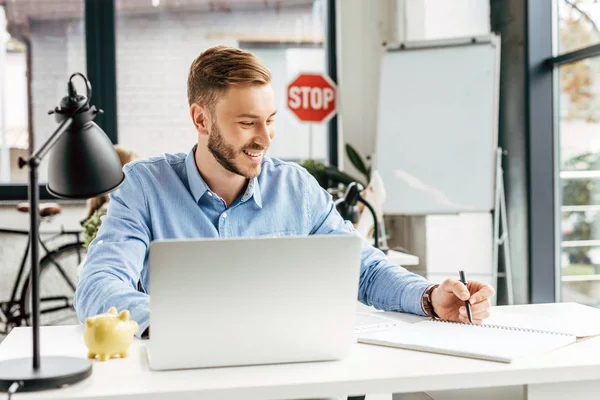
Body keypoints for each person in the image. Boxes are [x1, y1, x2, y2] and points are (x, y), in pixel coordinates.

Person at [74, 45, 495, 339]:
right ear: (201, 120)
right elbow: (100, 282)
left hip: (287, 378)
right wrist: (178, 325)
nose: (265, 138)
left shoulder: (295, 187)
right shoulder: (145, 187)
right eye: (247, 123)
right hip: (185, 382)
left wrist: (428, 298)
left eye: (270, 120)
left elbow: (361, 267)